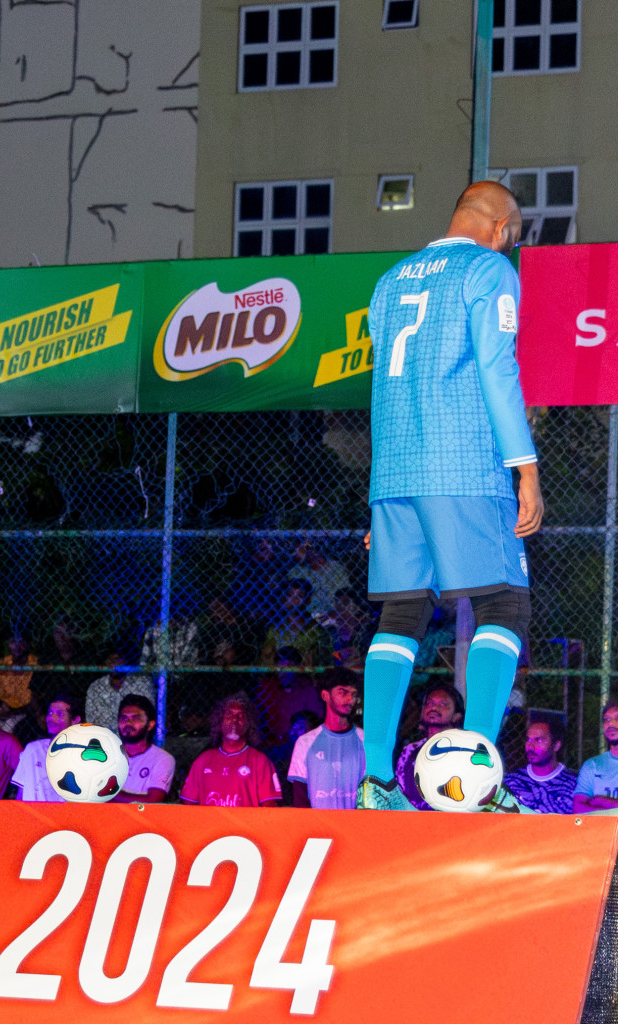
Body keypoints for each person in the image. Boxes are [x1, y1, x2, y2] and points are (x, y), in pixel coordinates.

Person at [358, 181, 542, 811]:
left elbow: (382, 387)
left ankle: (378, 781)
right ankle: (482, 783)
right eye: (514, 237)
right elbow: (497, 366)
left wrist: (380, 496)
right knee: (504, 602)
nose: (512, 247)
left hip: (395, 472)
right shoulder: (488, 269)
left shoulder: (390, 279)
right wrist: (526, 467)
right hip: (462, 464)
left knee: (402, 612)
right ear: (500, 227)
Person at [180, 695, 282, 808]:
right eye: (229, 714)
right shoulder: (203, 760)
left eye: (241, 715)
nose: (235, 719)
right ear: (219, 721)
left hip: (244, 825)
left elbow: (269, 806)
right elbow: (188, 805)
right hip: (210, 825)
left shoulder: (260, 761)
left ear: (248, 724)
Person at [288, 669, 365, 809]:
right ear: (325, 695)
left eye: (353, 694)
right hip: (318, 828)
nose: (350, 700)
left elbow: (371, 793)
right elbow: (300, 798)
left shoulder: (365, 740)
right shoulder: (305, 742)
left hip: (355, 827)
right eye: (343, 693)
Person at [395, 684, 465, 810]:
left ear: (456, 716)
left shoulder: (463, 750)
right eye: (429, 703)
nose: (433, 707)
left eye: (443, 704)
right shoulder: (410, 751)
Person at [13, 693, 83, 802]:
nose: (52, 718)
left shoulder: (82, 755)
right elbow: (21, 794)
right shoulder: (33, 750)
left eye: (60, 714)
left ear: (75, 720)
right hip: (32, 816)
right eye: (50, 712)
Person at [506, 712, 575, 814]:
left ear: (556, 745)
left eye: (538, 740)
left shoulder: (573, 784)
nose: (531, 746)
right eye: (528, 740)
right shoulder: (513, 781)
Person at [113, 695, 175, 803]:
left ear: (150, 725)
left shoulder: (163, 759)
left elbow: (153, 801)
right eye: (124, 718)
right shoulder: (107, 754)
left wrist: (110, 793)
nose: (128, 723)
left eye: (135, 718)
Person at [260, 581, 331, 668]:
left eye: (300, 596)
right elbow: (266, 659)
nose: (294, 600)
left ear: (308, 600)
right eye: (290, 595)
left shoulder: (317, 631)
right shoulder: (275, 629)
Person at [85, 647, 153, 733]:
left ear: (126, 661)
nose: (114, 663)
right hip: (105, 738)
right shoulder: (96, 687)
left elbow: (149, 715)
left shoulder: (141, 683)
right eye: (110, 659)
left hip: (135, 736)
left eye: (118, 658)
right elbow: (91, 721)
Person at [287, 541, 350, 618]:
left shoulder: (336, 568)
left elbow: (345, 595)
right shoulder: (296, 572)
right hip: (306, 615)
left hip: (334, 614)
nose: (310, 553)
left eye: (308, 548)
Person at [575, 703, 618, 814]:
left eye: (617, 718)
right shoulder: (592, 765)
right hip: (600, 831)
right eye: (606, 720)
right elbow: (578, 809)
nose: (610, 724)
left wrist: (602, 800)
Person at [0, 633, 38, 711]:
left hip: (26, 712)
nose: (17, 647)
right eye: (13, 642)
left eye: (21, 641)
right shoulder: (0, 665)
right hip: (2, 711)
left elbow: (34, 699)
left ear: (28, 644)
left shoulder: (36, 664)